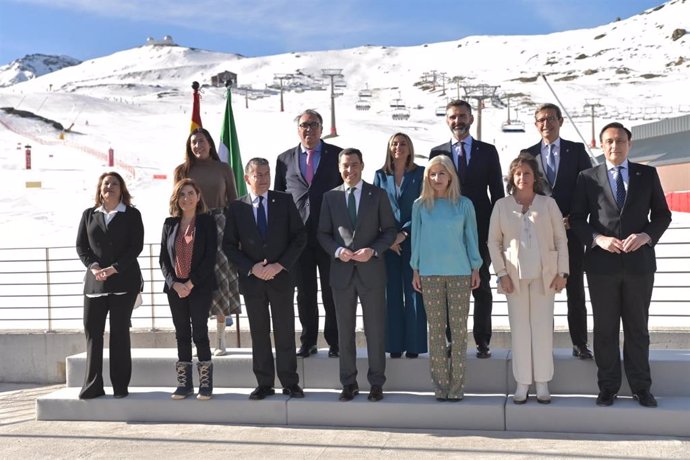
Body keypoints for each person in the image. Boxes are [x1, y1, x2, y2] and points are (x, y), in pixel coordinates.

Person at [571, 122, 671, 408]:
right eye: (609, 142)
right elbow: (577, 219)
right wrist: (597, 239)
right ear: (602, 146)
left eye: (620, 141)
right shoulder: (587, 177)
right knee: (605, 329)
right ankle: (608, 387)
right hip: (602, 267)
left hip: (639, 265)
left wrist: (646, 236)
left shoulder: (647, 174)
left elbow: (663, 216)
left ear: (630, 143)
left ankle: (642, 387)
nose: (615, 146)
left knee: (638, 328)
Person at [488, 153, 569, 404]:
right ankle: (523, 383)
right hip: (514, 279)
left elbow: (560, 239)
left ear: (535, 177)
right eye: (518, 173)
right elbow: (494, 242)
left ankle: (542, 382)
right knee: (520, 330)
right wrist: (502, 275)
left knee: (543, 329)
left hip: (545, 277)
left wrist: (562, 272)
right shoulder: (502, 205)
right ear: (512, 177)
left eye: (527, 173)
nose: (522, 177)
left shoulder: (548, 204)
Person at [223, 158, 307, 400]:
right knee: (259, 333)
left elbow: (299, 237)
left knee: (284, 331)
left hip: (281, 278)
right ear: (247, 178)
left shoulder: (284, 201)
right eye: (257, 174)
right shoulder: (237, 207)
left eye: (266, 173)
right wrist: (252, 268)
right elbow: (229, 245)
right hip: (253, 281)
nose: (263, 178)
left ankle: (290, 382)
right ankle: (264, 383)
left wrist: (281, 265)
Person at [318, 148, 397, 402]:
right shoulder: (330, 197)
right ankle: (349, 382)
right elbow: (323, 234)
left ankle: (376, 383)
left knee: (375, 330)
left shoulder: (378, 195)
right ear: (339, 168)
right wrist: (338, 250)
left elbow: (389, 231)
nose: (349, 170)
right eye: (344, 166)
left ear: (362, 166)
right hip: (341, 274)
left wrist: (373, 250)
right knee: (344, 331)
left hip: (371, 272)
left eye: (354, 165)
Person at [429, 99, 504, 359]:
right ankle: (452, 340)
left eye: (462, 116)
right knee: (449, 286)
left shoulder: (488, 151)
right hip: (448, 231)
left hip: (481, 229)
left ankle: (483, 341)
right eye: (452, 117)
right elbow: (432, 193)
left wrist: (499, 229)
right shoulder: (437, 153)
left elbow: (497, 193)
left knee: (480, 284)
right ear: (447, 120)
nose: (457, 121)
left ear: (471, 119)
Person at [524, 103, 594, 360]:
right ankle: (542, 344)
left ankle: (580, 343)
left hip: (572, 231)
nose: (546, 124)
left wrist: (574, 219)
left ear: (560, 121)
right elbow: (523, 193)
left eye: (551, 119)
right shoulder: (528, 154)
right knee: (542, 291)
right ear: (536, 125)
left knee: (575, 289)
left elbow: (589, 187)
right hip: (540, 234)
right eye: (541, 120)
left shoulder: (576, 151)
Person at [410, 155, 482, 401]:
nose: (437, 178)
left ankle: (456, 387)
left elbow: (471, 238)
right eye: (432, 174)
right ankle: (440, 386)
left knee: (460, 331)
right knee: (436, 332)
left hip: (460, 274)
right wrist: (415, 269)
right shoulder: (420, 205)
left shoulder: (464, 205)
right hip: (429, 274)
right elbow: (416, 240)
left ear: (451, 175)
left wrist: (476, 267)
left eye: (442, 173)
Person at [275, 109, 343, 358]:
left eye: (314, 124)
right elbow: (279, 199)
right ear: (298, 129)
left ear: (321, 128)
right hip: (298, 238)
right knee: (304, 293)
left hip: (330, 235)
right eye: (304, 125)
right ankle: (308, 340)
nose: (309, 129)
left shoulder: (337, 155)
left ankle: (335, 341)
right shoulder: (284, 160)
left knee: (330, 290)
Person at [76, 171, 144, 399]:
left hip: (124, 281)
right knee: (93, 332)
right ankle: (92, 385)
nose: (110, 187)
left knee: (119, 333)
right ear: (99, 188)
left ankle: (120, 387)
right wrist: (94, 267)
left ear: (122, 189)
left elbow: (136, 247)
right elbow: (81, 246)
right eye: (106, 183)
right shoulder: (88, 215)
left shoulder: (132, 214)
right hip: (96, 283)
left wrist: (115, 268)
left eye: (115, 183)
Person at [174, 127, 239, 356]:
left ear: (210, 143)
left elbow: (234, 200)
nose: (197, 145)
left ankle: (220, 338)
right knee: (192, 278)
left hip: (221, 225)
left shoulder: (223, 168)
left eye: (201, 141)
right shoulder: (183, 170)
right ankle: (196, 336)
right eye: (193, 142)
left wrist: (238, 232)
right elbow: (175, 201)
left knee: (220, 280)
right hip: (192, 224)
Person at [159, 179, 217, 400]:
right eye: (182, 194)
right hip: (175, 288)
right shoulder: (169, 224)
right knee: (181, 333)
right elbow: (164, 259)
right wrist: (175, 283)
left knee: (199, 332)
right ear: (177, 198)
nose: (187, 198)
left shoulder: (207, 222)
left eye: (191, 193)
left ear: (198, 196)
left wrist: (190, 283)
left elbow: (209, 256)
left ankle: (206, 383)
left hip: (199, 287)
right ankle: (184, 384)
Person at [373, 133, 427, 359]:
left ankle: (414, 346)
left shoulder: (420, 173)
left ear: (410, 147)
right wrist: (390, 238)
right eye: (394, 143)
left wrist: (403, 234)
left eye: (403, 143)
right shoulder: (380, 175)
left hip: (413, 241)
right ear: (389, 148)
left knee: (414, 293)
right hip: (388, 245)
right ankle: (394, 345)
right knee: (391, 294)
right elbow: (374, 208)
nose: (398, 147)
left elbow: (424, 207)